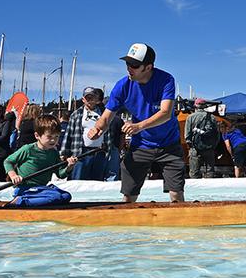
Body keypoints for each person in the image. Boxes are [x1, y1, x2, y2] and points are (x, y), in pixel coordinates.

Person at [86, 43, 185, 203]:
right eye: (127, 63)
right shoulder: (122, 86)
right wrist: (98, 128)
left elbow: (166, 113)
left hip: (169, 145)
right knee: (128, 196)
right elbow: (105, 117)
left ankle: (181, 225)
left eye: (134, 65)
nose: (129, 68)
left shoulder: (166, 80)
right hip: (141, 146)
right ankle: (126, 227)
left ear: (148, 67)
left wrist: (138, 126)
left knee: (176, 195)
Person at [4, 114, 78, 191]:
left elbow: (60, 174)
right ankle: (22, 199)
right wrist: (13, 176)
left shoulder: (54, 153)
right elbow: (8, 161)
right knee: (55, 197)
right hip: (24, 188)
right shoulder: (28, 149)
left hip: (41, 188)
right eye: (49, 137)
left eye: (56, 136)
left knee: (65, 196)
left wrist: (69, 167)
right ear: (37, 135)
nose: (53, 140)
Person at [62, 87, 109, 181]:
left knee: (97, 182)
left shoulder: (104, 114)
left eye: (92, 97)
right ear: (83, 99)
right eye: (87, 97)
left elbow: (108, 133)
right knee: (78, 180)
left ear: (97, 99)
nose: (90, 100)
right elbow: (69, 134)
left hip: (99, 152)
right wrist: (64, 153)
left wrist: (108, 148)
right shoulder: (76, 114)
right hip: (81, 152)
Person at [184, 98, 220, 179]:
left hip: (195, 148)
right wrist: (213, 146)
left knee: (194, 172)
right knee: (210, 171)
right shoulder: (212, 117)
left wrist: (190, 147)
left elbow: (187, 135)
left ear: (195, 106)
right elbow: (217, 134)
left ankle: (195, 190)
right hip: (209, 148)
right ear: (205, 106)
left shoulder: (190, 117)